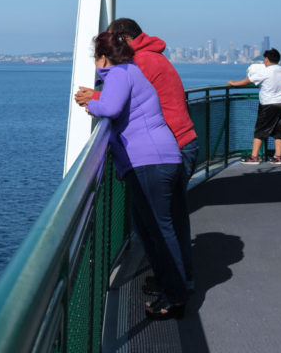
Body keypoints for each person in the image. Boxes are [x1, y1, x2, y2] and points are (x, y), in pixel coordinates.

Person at [75, 18, 197, 295]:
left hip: (159, 151)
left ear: (122, 40)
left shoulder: (138, 63)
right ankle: (175, 282)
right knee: (169, 224)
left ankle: (177, 287)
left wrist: (93, 100)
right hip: (173, 145)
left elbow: (118, 99)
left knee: (163, 227)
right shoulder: (146, 59)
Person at [76, 18, 199, 175]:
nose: (110, 46)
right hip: (180, 141)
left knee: (162, 199)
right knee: (174, 199)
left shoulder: (141, 61)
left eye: (113, 41)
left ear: (125, 39)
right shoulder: (150, 56)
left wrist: (93, 97)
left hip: (173, 145)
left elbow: (123, 99)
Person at [228, 48, 281, 164]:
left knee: (260, 129)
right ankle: (278, 157)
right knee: (279, 130)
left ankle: (254, 157)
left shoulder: (265, 72)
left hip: (269, 105)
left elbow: (248, 80)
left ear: (266, 60)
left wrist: (233, 83)